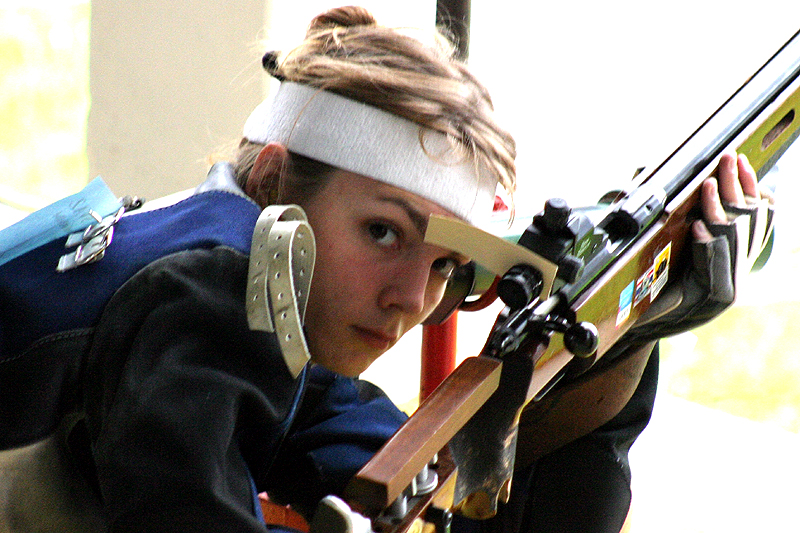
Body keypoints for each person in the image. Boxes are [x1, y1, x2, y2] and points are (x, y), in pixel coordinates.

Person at [0, 5, 768, 533]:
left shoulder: (251, 297)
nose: (409, 298)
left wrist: (631, 331)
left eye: (446, 266)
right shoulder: (211, 296)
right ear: (273, 179)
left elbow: (445, 490)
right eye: (382, 231)